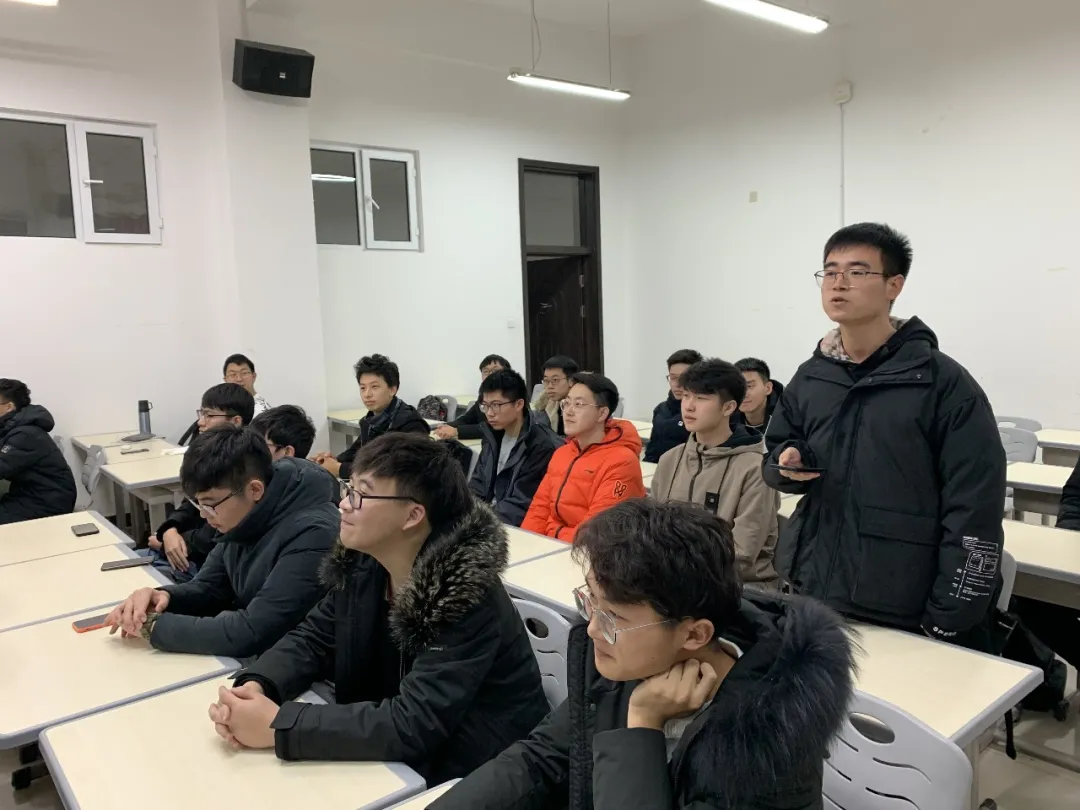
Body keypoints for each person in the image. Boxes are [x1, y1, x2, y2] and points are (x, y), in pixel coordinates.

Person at [431, 500, 856, 810]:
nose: (593, 628)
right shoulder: (634, 656)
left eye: (613, 616)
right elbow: (540, 759)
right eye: (590, 602)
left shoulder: (768, 742)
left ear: (695, 634)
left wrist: (643, 724)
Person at [207, 434, 550, 784]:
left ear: (413, 515)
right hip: (395, 756)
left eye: (361, 494)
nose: (344, 504)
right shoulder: (367, 560)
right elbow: (314, 638)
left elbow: (415, 723)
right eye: (348, 487)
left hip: (480, 771)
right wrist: (258, 685)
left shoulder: (462, 595)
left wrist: (280, 726)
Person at [764, 222, 1006, 651]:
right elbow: (777, 450)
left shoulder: (942, 383)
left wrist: (947, 620)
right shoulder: (813, 375)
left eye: (857, 271)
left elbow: (974, 508)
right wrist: (789, 460)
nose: (839, 282)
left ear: (894, 285)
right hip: (814, 586)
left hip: (901, 602)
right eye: (830, 271)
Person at [106, 425, 338, 658]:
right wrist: (164, 598)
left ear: (255, 490)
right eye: (198, 504)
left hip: (294, 664)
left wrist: (152, 627)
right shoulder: (243, 515)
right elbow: (208, 588)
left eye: (210, 505)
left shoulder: (313, 534)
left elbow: (252, 632)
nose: (204, 515)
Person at [652, 360, 779, 588]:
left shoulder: (755, 469)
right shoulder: (670, 459)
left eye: (701, 398)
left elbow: (742, 553)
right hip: (674, 578)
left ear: (728, 408)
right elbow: (652, 528)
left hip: (736, 586)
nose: (689, 406)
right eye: (686, 396)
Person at [149, 383, 255, 582]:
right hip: (185, 551)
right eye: (201, 413)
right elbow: (192, 502)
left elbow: (215, 535)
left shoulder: (243, 464)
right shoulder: (208, 453)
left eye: (209, 415)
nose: (200, 422)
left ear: (236, 421)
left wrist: (169, 542)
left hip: (204, 566)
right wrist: (170, 529)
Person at [522, 373, 645, 541]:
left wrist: (554, 533)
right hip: (554, 546)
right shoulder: (562, 454)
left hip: (598, 552)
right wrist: (528, 541)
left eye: (578, 404)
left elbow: (598, 532)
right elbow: (539, 508)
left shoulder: (622, 462)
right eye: (566, 403)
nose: (568, 412)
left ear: (602, 413)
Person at [468, 369, 563, 526]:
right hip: (486, 520)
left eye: (496, 405)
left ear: (519, 404)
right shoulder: (492, 436)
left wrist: (477, 523)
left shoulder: (541, 445)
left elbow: (521, 504)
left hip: (512, 526)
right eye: (485, 406)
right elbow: (477, 486)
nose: (489, 413)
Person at [314, 354, 428, 480]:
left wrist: (340, 468)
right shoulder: (371, 422)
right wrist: (331, 460)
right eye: (363, 388)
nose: (367, 394)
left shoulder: (411, 425)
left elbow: (392, 472)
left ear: (392, 389)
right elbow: (356, 452)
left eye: (374, 387)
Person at [0, 379, 76, 525]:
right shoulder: (12, 425)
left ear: (9, 407)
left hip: (45, 503)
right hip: (28, 493)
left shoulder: (25, 434)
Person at [643, 349, 703, 464]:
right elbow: (652, 450)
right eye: (673, 378)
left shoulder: (701, 412)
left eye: (684, 378)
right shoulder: (660, 409)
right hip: (658, 469)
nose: (677, 384)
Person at [433, 354, 510, 442]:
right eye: (485, 371)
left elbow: (495, 427)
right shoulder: (484, 396)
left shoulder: (511, 397)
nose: (490, 374)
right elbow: (467, 419)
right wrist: (448, 426)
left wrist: (456, 431)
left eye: (495, 370)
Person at [733, 357, 784, 435]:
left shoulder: (789, 415)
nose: (743, 394)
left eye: (749, 386)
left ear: (768, 388)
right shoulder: (727, 418)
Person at [531, 355, 579, 437]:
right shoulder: (544, 407)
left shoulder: (582, 407)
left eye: (555, 380)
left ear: (571, 381)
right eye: (546, 381)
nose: (550, 386)